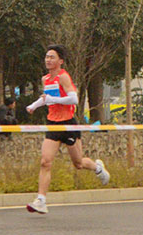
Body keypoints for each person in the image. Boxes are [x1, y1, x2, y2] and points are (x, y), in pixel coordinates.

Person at [25, 45, 109, 214]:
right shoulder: (45, 79)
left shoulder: (63, 77)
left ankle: (98, 168)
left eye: (52, 57)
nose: (48, 60)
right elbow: (48, 99)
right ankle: (41, 200)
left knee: (78, 163)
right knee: (45, 161)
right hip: (53, 124)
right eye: (47, 57)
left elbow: (73, 99)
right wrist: (33, 106)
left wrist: (51, 98)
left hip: (69, 124)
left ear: (60, 61)